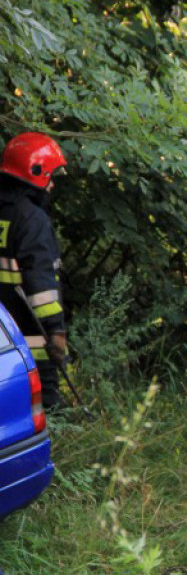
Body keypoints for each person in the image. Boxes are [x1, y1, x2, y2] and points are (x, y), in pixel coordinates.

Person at [0, 133, 68, 411]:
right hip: (30, 342)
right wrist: (56, 332)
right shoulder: (31, 220)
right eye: (51, 176)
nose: (52, 185)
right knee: (43, 408)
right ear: (35, 172)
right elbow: (42, 289)